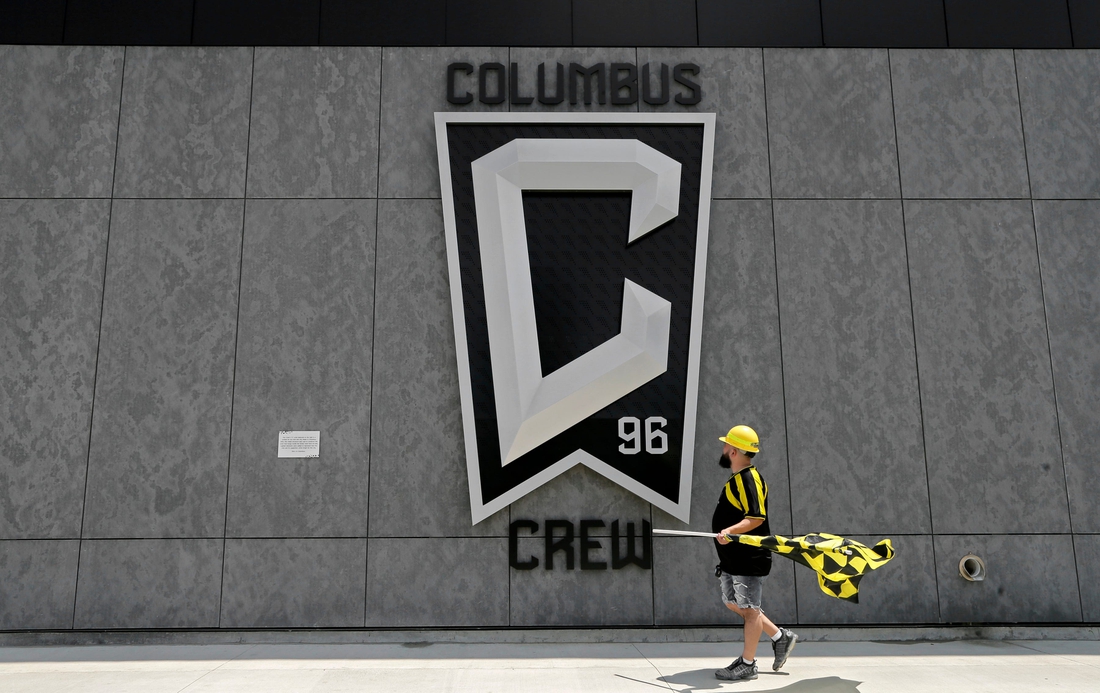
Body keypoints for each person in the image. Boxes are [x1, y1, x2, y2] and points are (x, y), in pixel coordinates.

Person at [711, 425, 798, 681]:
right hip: (732, 558)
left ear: (735, 451)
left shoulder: (750, 479)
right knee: (732, 602)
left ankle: (748, 664)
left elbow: (756, 518)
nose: (724, 449)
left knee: (749, 610)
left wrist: (729, 531)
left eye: (727, 446)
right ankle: (781, 637)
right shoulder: (737, 478)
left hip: (749, 558)